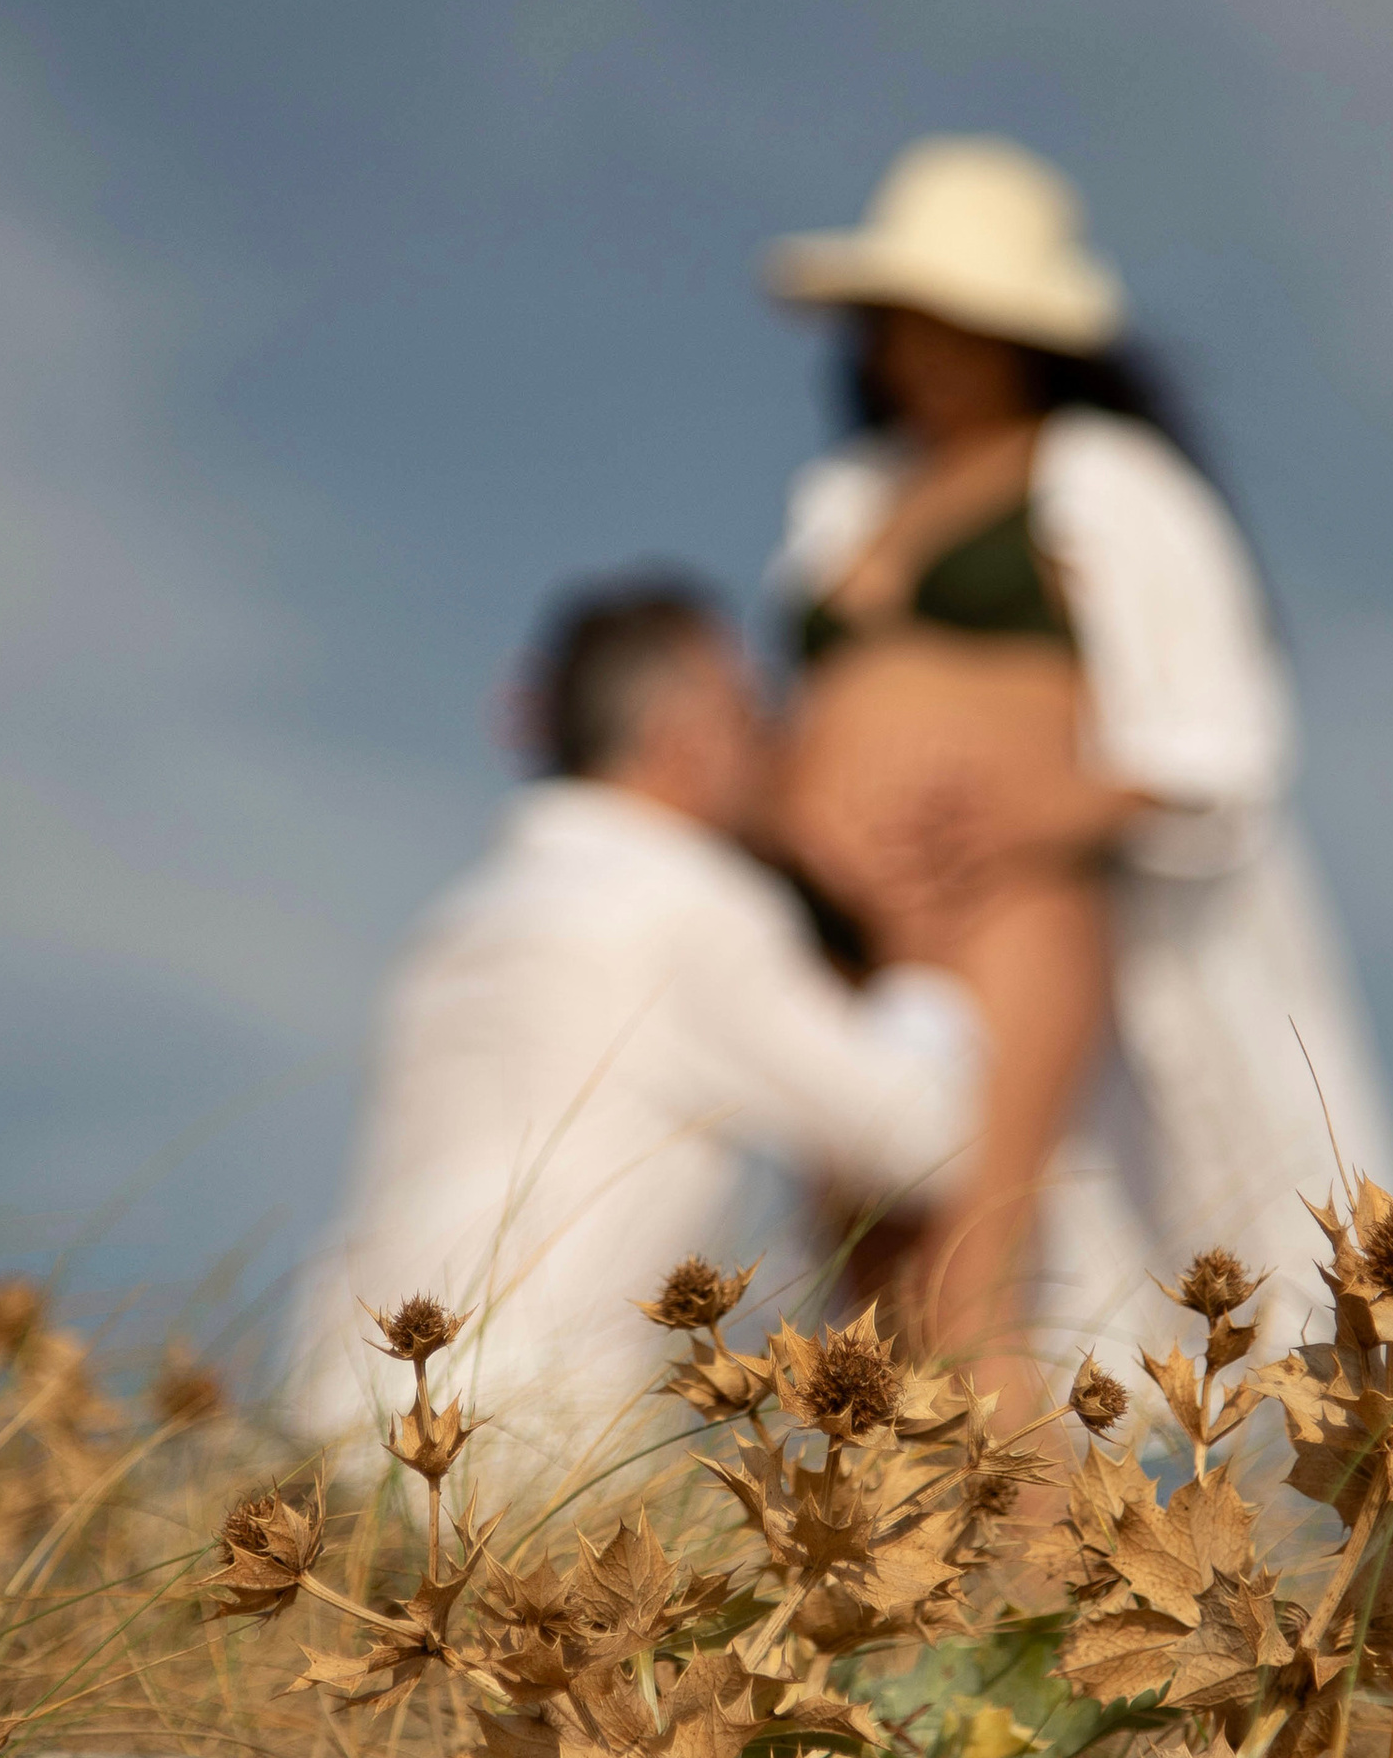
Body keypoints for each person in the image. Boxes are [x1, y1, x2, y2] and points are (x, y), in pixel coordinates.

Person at [763, 133, 1393, 1370]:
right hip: (841, 918)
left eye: (957, 320)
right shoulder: (845, 495)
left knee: (973, 1255)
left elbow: (1223, 730)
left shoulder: (1109, 480)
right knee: (856, 1263)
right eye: (903, 319)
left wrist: (1038, 808)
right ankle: (873, 1560)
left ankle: (1021, 1558)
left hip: (1003, 899)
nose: (925, 348)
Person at [284, 576, 982, 1484]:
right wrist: (919, 954)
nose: (774, 748)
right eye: (750, 713)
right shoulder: (686, 904)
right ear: (681, 738)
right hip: (527, 1453)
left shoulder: (458, 924)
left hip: (342, 1421)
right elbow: (924, 1135)